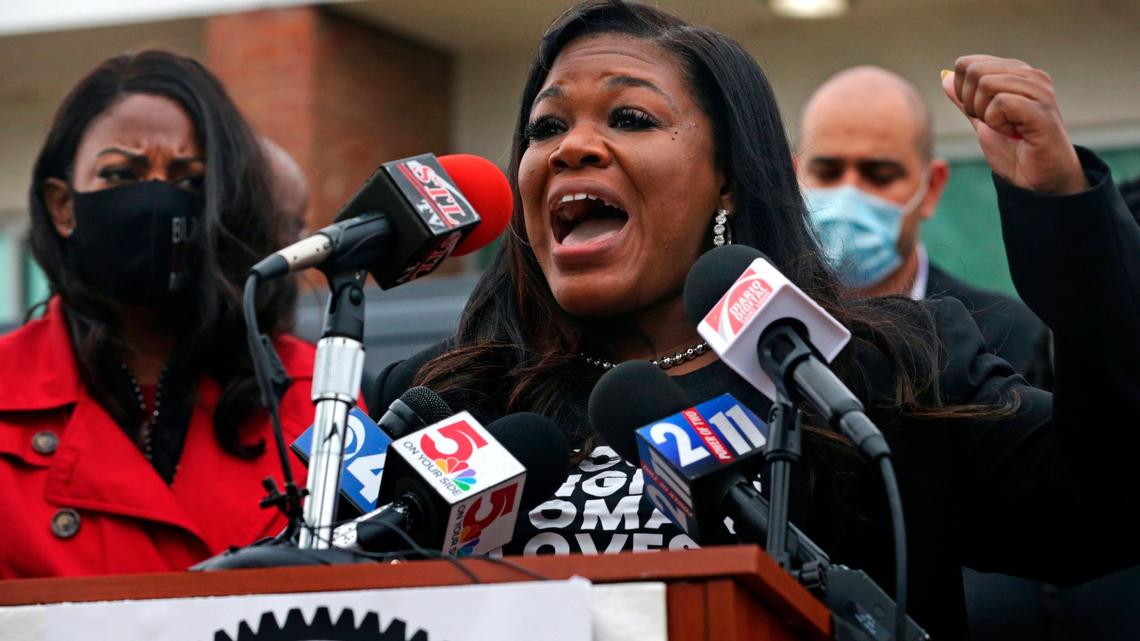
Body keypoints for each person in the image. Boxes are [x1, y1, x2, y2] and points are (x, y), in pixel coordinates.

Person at [369, 2, 1140, 639]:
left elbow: (1109, 500)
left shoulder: (874, 377)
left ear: (728, 181)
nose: (571, 148)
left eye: (630, 116)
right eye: (544, 128)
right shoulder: (444, 398)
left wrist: (1065, 215)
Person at [0, 51, 316, 578]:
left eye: (189, 181)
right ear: (62, 205)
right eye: (122, 173)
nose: (154, 199)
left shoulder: (314, 391)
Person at [796, 65, 1053, 389]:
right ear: (795, 177)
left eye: (880, 175)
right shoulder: (757, 324)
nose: (849, 195)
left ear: (931, 187)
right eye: (828, 172)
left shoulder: (1004, 336)